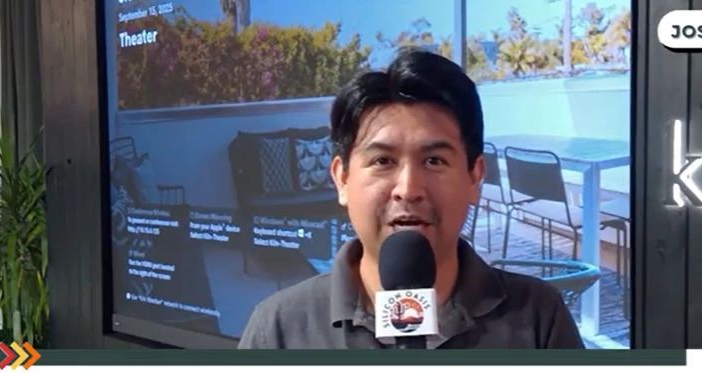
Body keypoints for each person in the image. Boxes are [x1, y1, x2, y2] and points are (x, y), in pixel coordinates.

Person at [238, 49, 584, 349]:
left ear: (474, 177)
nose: (408, 188)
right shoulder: (277, 330)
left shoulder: (540, 320)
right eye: (382, 161)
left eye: (434, 161)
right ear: (342, 179)